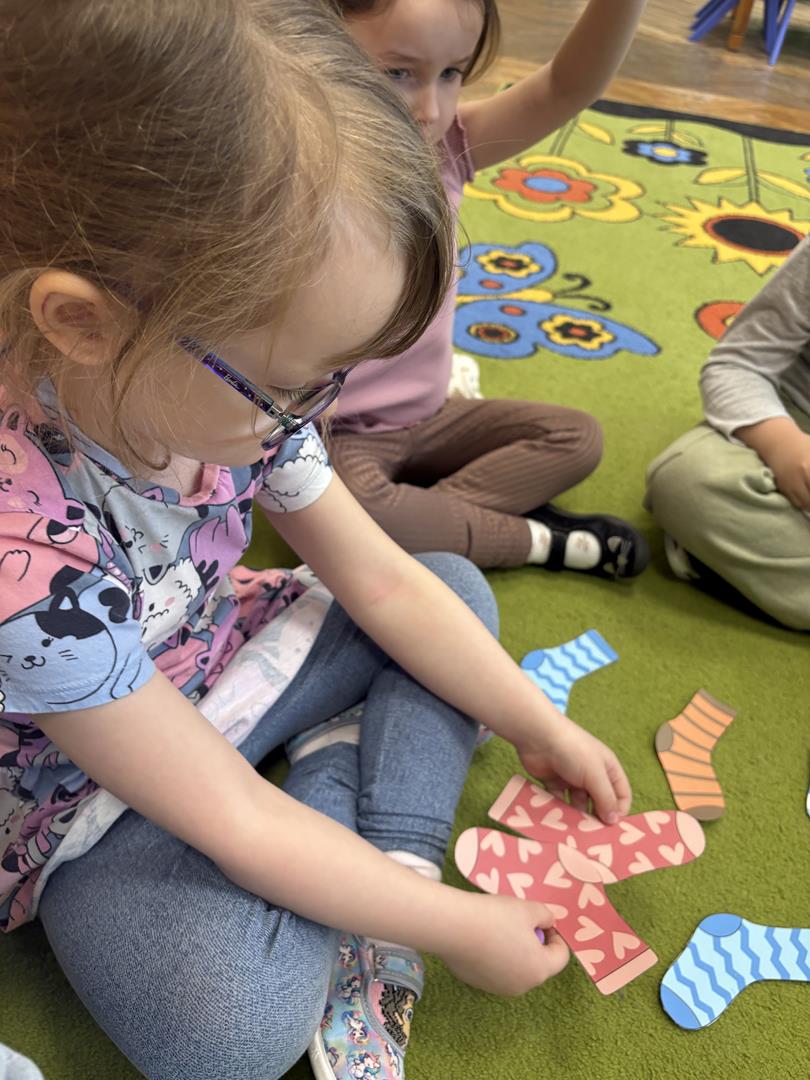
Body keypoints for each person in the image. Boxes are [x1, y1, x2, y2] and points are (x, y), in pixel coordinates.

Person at [0, 3, 631, 1080]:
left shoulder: (236, 398)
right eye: (296, 383)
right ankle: (355, 808)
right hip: (88, 804)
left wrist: (536, 722)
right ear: (85, 323)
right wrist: (448, 923)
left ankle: (372, 836)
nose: (315, 412)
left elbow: (384, 583)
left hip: (223, 660)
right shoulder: (22, 548)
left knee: (449, 588)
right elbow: (231, 815)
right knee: (228, 1036)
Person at [328, 0, 650, 580]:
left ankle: (428, 524)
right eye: (398, 73)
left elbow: (566, 87)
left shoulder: (448, 149)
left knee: (578, 438)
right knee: (345, 510)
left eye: (452, 73)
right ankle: (537, 539)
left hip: (429, 417)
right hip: (341, 436)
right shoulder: (296, 173)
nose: (430, 109)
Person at [645, 236, 810, 630]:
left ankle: (730, 564)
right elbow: (738, 364)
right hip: (791, 418)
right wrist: (783, 444)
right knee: (684, 481)